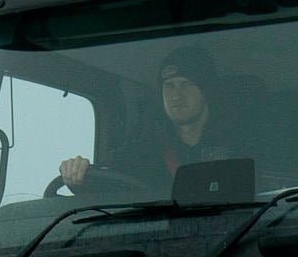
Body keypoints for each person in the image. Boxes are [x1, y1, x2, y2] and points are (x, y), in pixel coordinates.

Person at [60, 45, 251, 193]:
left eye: (186, 84)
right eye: (169, 86)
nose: (176, 95)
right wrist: (78, 174)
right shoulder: (143, 147)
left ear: (206, 90)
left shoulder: (242, 141)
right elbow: (106, 180)